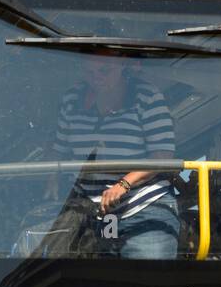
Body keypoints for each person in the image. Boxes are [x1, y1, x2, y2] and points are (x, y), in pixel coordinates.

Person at [52, 53, 178, 258]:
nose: (96, 78)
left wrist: (123, 184)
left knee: (148, 279)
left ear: (122, 66)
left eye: (104, 71)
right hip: (88, 211)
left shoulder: (147, 96)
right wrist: (52, 179)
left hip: (142, 206)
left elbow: (162, 156)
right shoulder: (72, 99)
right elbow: (59, 149)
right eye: (89, 72)